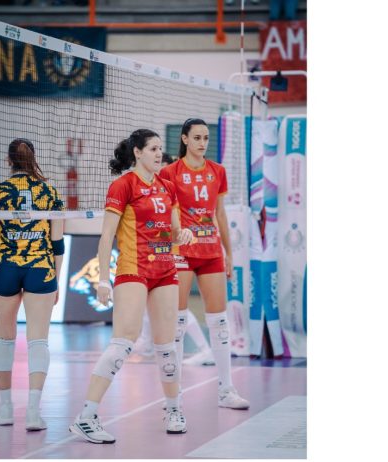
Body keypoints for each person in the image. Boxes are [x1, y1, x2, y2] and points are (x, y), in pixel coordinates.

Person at [68, 129, 193, 444]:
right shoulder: (123, 185)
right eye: (152, 149)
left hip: (165, 270)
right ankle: (86, 417)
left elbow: (171, 232)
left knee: (167, 346)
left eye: (160, 149)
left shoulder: (167, 187)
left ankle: (174, 410)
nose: (158, 154)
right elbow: (107, 236)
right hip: (133, 268)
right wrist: (102, 280)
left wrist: (183, 235)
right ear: (137, 152)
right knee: (123, 342)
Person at [159, 118, 250, 410]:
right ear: (184, 139)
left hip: (211, 250)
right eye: (196, 137)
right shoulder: (170, 172)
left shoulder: (217, 171)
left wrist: (229, 253)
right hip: (182, 250)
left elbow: (220, 214)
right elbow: (165, 212)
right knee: (177, 321)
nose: (202, 143)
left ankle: (226, 390)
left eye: (206, 138)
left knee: (219, 322)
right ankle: (174, 395)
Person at [0, 138, 65, 431]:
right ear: (33, 159)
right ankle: (33, 412)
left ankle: (5, 409)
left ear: (9, 161)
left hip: (5, 267)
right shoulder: (50, 192)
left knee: (3, 339)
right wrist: (55, 279)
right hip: (40, 268)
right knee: (38, 340)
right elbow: (57, 243)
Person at [133, 153, 216, 367]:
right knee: (151, 299)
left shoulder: (171, 192)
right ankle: (146, 342)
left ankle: (205, 350)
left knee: (176, 306)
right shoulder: (153, 190)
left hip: (175, 251)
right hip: (159, 251)